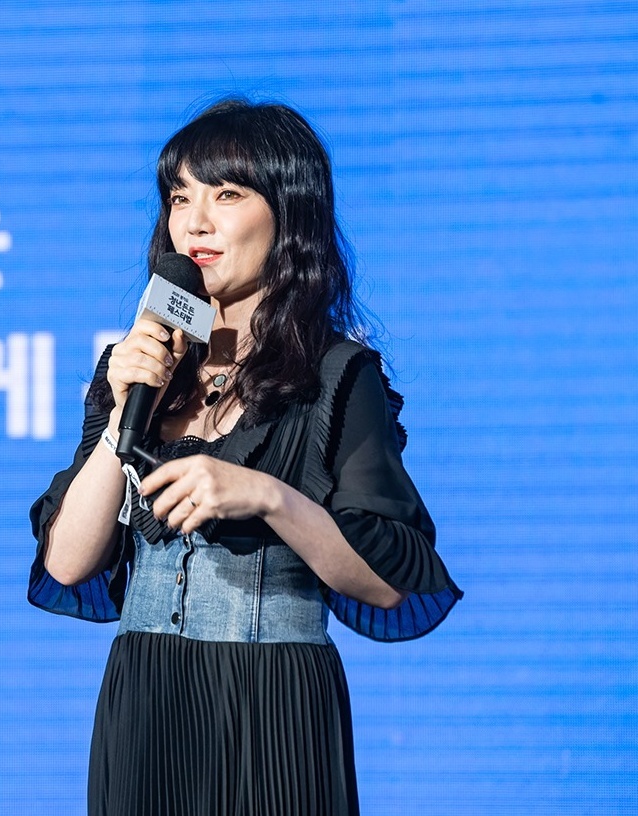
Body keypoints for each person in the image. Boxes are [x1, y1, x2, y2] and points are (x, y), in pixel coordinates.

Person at [28, 98, 462, 816]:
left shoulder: (336, 375)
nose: (195, 222)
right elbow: (69, 564)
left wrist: (266, 495)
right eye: (179, 197)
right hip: (145, 702)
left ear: (288, 215)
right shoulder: (138, 362)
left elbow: (389, 583)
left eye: (226, 195)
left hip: (273, 702)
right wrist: (122, 412)